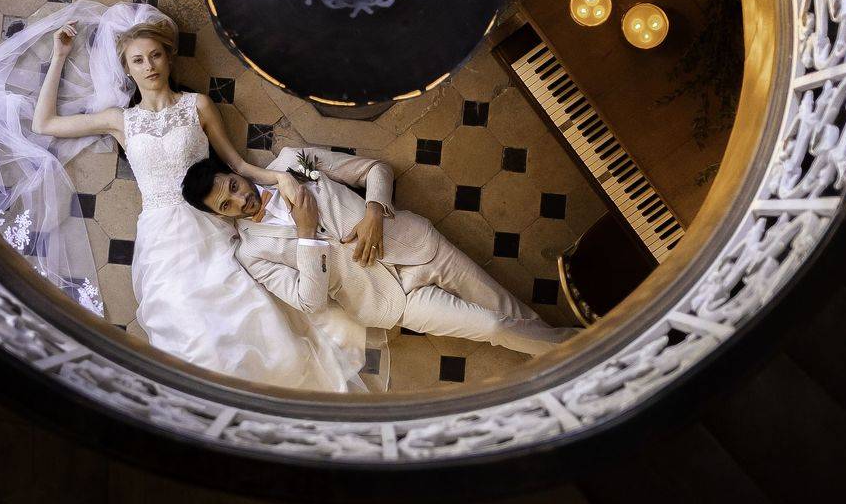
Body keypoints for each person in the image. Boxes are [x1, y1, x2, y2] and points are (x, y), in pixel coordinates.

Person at [0, 1, 367, 391]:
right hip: (160, 233)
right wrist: (60, 55)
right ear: (127, 67)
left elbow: (235, 163)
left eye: (155, 55)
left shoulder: (198, 105)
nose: (149, 66)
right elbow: (45, 124)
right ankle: (214, 400)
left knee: (242, 310)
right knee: (184, 323)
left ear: (168, 57)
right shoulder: (121, 120)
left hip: (209, 222)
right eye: (138, 60)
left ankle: (265, 388)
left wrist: (280, 178)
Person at [183, 147, 577, 356]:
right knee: (493, 327)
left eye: (233, 187)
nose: (241, 201)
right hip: (389, 301)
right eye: (226, 206)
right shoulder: (252, 255)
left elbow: (375, 169)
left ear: (235, 174)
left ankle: (571, 359)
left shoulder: (291, 163)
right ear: (220, 216)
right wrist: (306, 235)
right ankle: (586, 357)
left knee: (509, 312)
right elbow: (310, 302)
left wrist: (373, 210)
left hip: (416, 245)